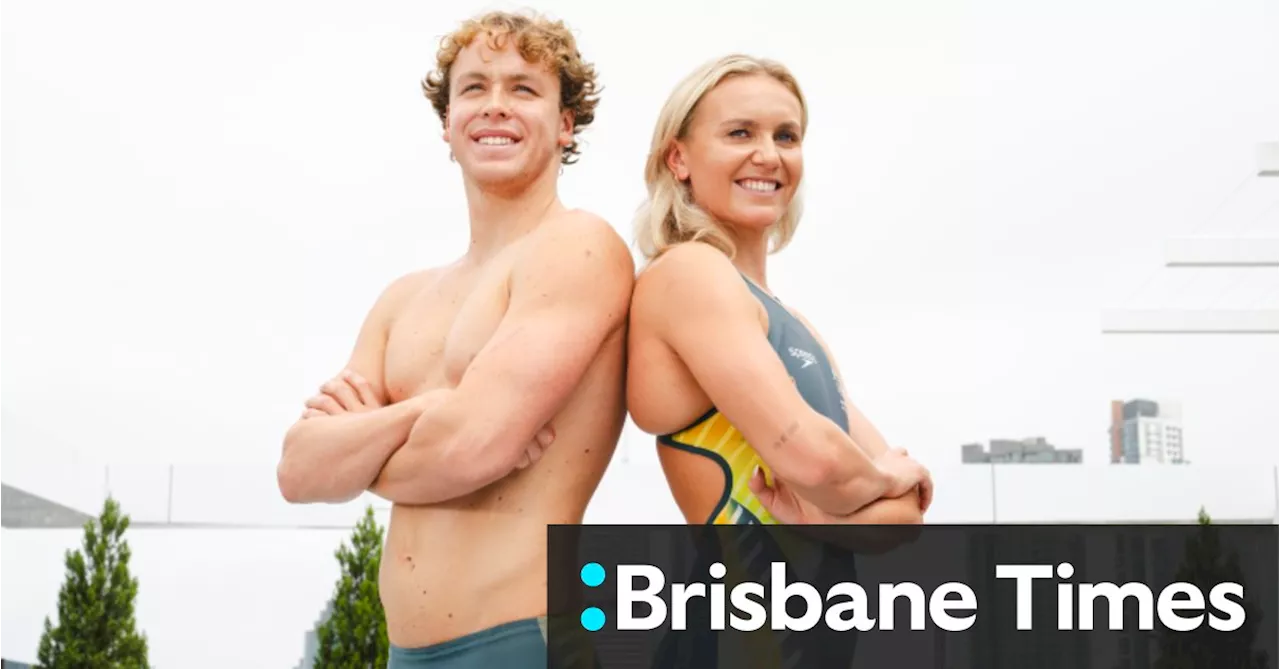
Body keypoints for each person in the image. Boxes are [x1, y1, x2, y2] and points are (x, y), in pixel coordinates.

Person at [276, 11, 631, 669]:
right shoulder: (404, 298)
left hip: (526, 640)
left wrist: (366, 441)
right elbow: (299, 470)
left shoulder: (579, 247)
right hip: (404, 652)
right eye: (474, 88)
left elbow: (473, 447)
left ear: (564, 124)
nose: (495, 106)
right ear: (447, 123)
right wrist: (422, 413)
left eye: (524, 89)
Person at [626, 54, 935, 668]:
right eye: (740, 133)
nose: (768, 154)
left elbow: (904, 520)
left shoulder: (790, 324)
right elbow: (814, 456)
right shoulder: (687, 275)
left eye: (786, 136)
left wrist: (833, 509)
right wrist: (878, 482)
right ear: (678, 158)